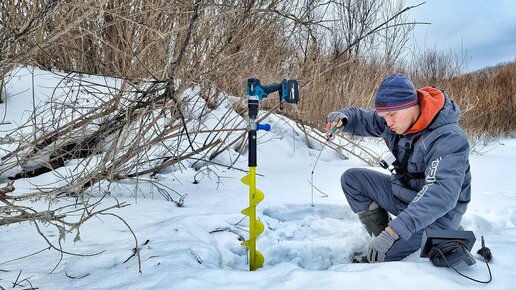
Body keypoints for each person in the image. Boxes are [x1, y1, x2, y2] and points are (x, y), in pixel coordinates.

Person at [326, 74, 471, 263]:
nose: (388, 122)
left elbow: (440, 194)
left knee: (377, 259)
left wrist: (395, 231)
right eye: (384, 117)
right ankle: (383, 236)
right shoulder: (397, 120)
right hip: (406, 196)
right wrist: (344, 118)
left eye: (392, 115)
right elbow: (362, 118)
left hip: (438, 215)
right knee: (352, 179)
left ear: (412, 105)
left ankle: (407, 237)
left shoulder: (448, 138)